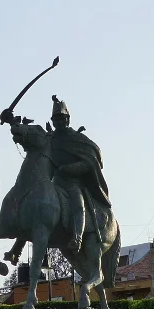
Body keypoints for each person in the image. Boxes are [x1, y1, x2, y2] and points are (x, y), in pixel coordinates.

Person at [46, 95, 110, 252]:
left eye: (61, 118)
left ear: (67, 119)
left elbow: (90, 162)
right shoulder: (49, 138)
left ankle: (77, 237)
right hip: (53, 182)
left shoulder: (77, 139)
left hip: (72, 183)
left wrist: (70, 168)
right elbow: (28, 136)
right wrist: (11, 121)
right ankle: (18, 246)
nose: (58, 122)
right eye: (55, 119)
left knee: (78, 205)